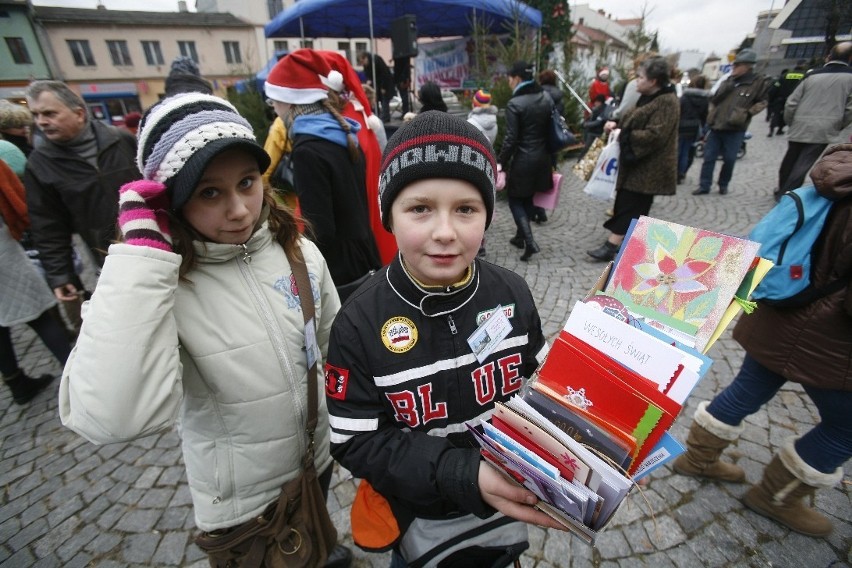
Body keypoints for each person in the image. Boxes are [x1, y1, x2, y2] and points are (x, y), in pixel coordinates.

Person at [57, 92, 352, 567]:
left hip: (315, 459)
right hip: (244, 501)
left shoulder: (298, 251)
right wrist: (141, 258)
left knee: (315, 541)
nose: (238, 209)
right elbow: (111, 417)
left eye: (247, 182)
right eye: (209, 192)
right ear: (169, 200)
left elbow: (333, 346)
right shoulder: (161, 287)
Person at [325, 111, 566, 567]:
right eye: (420, 208)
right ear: (389, 216)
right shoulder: (358, 321)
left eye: (466, 209)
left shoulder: (511, 293)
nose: (444, 232)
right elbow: (354, 439)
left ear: (487, 215)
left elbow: (538, 383)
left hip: (505, 512)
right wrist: (462, 472)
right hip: (417, 515)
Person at [672, 143, 852, 538]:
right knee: (846, 426)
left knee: (747, 388)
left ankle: (698, 460)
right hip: (832, 339)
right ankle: (777, 497)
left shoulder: (836, 171)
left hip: (780, 308)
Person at [265, 48, 381, 301]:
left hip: (340, 270)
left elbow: (320, 230)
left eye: (274, 102)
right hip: (364, 253)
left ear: (290, 101)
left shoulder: (308, 150)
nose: (274, 109)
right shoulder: (342, 135)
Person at [23, 80, 140, 332]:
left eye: (49, 113)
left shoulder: (119, 139)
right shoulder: (40, 164)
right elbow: (47, 226)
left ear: (78, 113)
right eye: (36, 115)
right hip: (107, 255)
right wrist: (60, 275)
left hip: (153, 238)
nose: (41, 121)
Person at [588, 56, 679, 262]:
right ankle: (629, 243)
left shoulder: (667, 102)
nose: (636, 81)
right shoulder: (649, 97)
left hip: (648, 167)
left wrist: (623, 134)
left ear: (653, 81)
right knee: (628, 203)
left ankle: (613, 244)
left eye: (640, 77)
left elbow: (656, 135)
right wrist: (617, 125)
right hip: (637, 163)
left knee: (632, 203)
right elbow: (634, 118)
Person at [0, 159, 71, 405]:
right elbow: (17, 199)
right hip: (3, 252)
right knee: (39, 314)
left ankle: (16, 382)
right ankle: (78, 376)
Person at [775, 42, 852, 200]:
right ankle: (787, 193)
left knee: (789, 159)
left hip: (800, 123)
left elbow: (791, 102)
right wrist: (838, 124)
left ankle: (782, 188)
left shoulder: (811, 75)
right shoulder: (850, 77)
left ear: (829, 56)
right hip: (825, 126)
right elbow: (850, 109)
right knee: (804, 162)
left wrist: (791, 121)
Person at [693, 48, 768, 196]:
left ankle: (723, 184)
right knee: (709, 158)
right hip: (716, 124)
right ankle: (704, 185)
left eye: (737, 65)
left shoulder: (757, 82)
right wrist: (729, 84)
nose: (734, 68)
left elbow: (762, 102)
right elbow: (715, 98)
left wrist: (747, 113)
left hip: (736, 126)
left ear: (748, 66)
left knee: (729, 159)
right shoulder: (728, 79)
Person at [498, 61, 552, 261]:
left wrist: (501, 162)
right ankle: (520, 237)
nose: (509, 82)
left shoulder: (515, 104)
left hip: (523, 159)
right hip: (543, 158)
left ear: (517, 78)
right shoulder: (545, 97)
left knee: (515, 199)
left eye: (510, 79)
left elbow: (510, 138)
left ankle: (529, 241)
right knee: (529, 197)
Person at [677, 74, 710, 184]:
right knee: (687, 151)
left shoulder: (685, 97)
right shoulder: (705, 99)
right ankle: (682, 172)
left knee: (678, 150)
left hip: (681, 125)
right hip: (694, 127)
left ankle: (675, 172)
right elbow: (704, 116)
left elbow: (678, 111)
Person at [767, 61, 807, 137]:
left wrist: (771, 99)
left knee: (776, 115)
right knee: (788, 115)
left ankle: (771, 131)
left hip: (780, 99)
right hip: (796, 100)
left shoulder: (786, 75)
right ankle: (780, 130)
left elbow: (776, 87)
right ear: (803, 66)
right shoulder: (805, 76)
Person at [358, 51, 395, 123]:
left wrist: (383, 86)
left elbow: (384, 73)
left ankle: (385, 117)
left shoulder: (376, 60)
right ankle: (378, 115)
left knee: (384, 100)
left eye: (362, 62)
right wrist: (369, 80)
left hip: (384, 83)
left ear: (365, 58)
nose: (362, 64)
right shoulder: (367, 64)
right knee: (376, 99)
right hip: (376, 84)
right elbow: (368, 74)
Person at [580, 94, 611, 159]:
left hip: (595, 133)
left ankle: (580, 161)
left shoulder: (602, 110)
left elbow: (598, 122)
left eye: (596, 102)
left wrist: (586, 124)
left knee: (586, 149)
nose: (594, 103)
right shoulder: (603, 109)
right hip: (597, 132)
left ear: (599, 102)